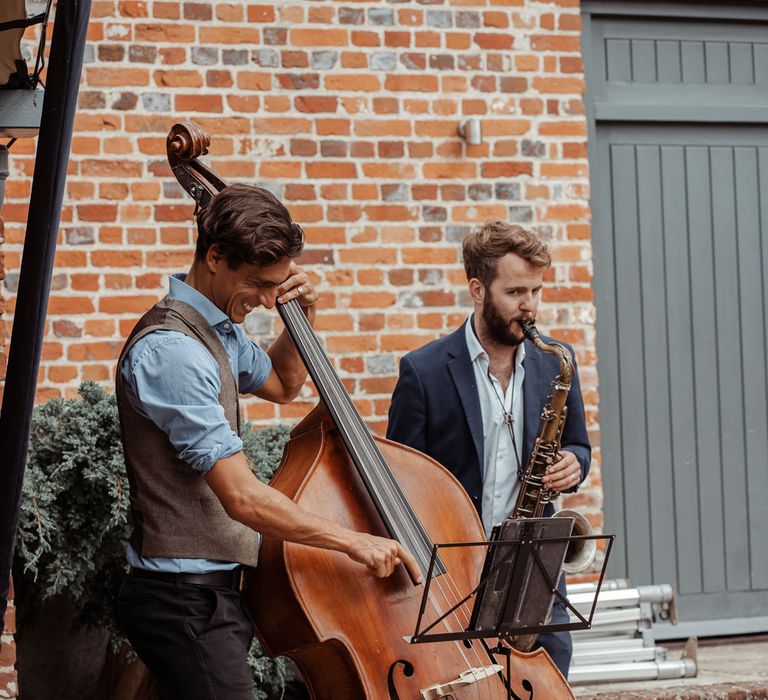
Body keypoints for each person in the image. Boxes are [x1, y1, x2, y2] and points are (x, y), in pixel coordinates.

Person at [115, 183, 421, 699]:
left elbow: (282, 382)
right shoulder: (173, 351)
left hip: (214, 595)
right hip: (182, 602)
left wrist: (303, 314)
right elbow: (241, 496)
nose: (265, 302)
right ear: (215, 257)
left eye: (276, 287)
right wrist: (355, 541)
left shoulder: (217, 330)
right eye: (258, 285)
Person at [386, 221, 590, 679]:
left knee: (550, 677)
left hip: (534, 564)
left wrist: (574, 465)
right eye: (516, 291)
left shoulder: (557, 360)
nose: (530, 306)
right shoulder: (423, 371)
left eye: (536, 291)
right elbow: (398, 482)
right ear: (478, 289)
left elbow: (579, 445)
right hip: (457, 565)